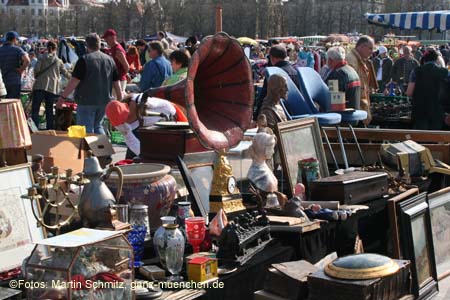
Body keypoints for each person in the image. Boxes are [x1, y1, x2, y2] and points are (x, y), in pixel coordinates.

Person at [57, 33, 123, 134]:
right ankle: (102, 148)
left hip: (86, 100)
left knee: (85, 129)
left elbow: (74, 81)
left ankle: (87, 149)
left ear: (87, 45)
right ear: (99, 44)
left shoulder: (84, 60)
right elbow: (116, 82)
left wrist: (62, 98)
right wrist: (119, 98)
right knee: (98, 126)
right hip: (104, 100)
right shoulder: (110, 60)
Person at [105, 93, 187, 159]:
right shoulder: (121, 125)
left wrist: (148, 104)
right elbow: (131, 141)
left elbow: (165, 105)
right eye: (121, 120)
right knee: (130, 159)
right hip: (147, 132)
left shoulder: (140, 100)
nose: (124, 121)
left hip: (168, 121)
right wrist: (144, 156)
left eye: (124, 117)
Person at [406, 49, 449, 130]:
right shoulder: (445, 72)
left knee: (420, 139)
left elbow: (409, 93)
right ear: (437, 59)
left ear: (424, 59)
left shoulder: (416, 71)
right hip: (438, 111)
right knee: (434, 139)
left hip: (419, 111)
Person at [32, 41, 71, 130]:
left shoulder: (41, 58)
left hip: (39, 86)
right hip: (52, 88)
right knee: (49, 110)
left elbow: (36, 70)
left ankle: (34, 129)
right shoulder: (58, 61)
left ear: (47, 47)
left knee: (35, 109)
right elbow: (65, 73)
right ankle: (49, 130)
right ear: (55, 49)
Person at [255, 45, 300, 120]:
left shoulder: (273, 73)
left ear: (272, 58)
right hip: (295, 112)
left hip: (277, 114)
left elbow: (264, 96)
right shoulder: (295, 72)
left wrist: (256, 117)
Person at [346, 35, 378, 125]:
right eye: (370, 48)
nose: (372, 52)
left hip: (361, 107)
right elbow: (351, 88)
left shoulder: (360, 60)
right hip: (356, 109)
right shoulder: (351, 60)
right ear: (362, 47)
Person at [0, 31, 30, 98]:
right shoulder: (17, 49)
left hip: (1, 81)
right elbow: (27, 60)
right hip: (14, 81)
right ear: (14, 39)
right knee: (12, 103)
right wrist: (21, 69)